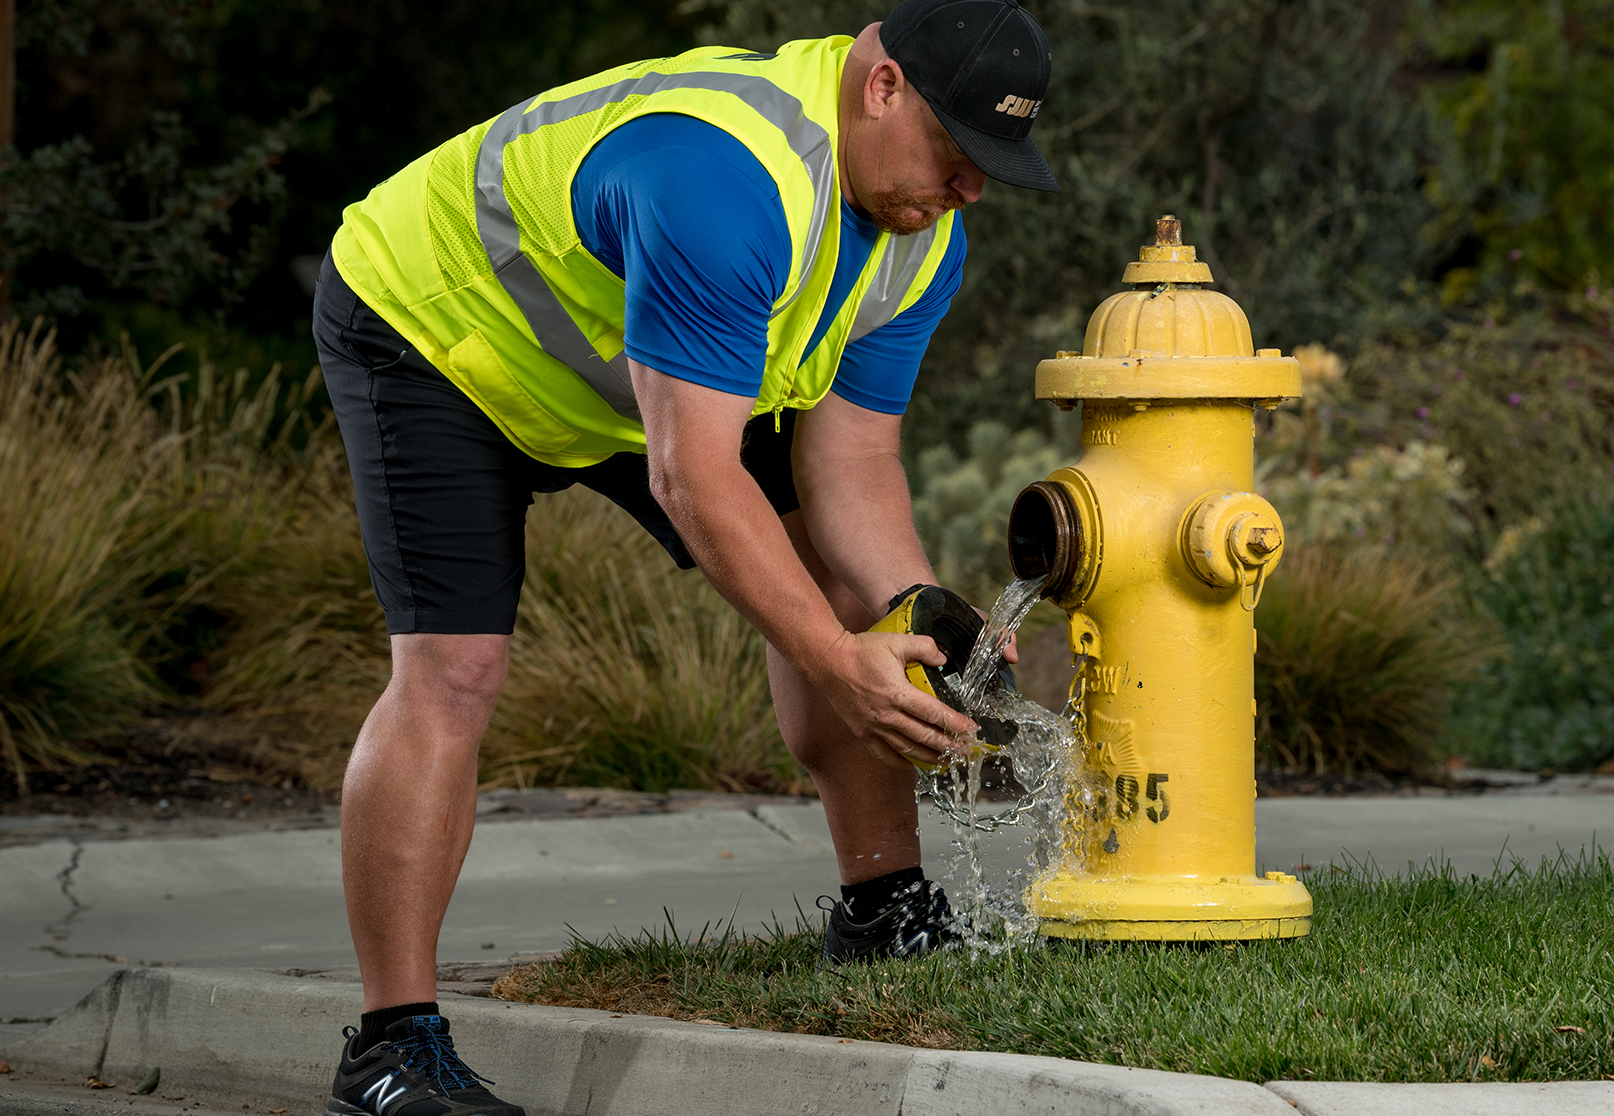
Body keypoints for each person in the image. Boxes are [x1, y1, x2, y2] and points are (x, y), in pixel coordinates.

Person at [307, 2, 1056, 1113]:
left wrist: (913, 618)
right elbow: (693, 475)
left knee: (855, 600)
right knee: (454, 666)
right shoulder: (723, 175)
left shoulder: (918, 238)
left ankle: (883, 912)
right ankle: (390, 1049)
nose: (968, 191)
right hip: (440, 339)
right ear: (883, 86)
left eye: (990, 166)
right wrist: (832, 653)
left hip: (638, 373)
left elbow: (847, 463)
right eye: (958, 153)